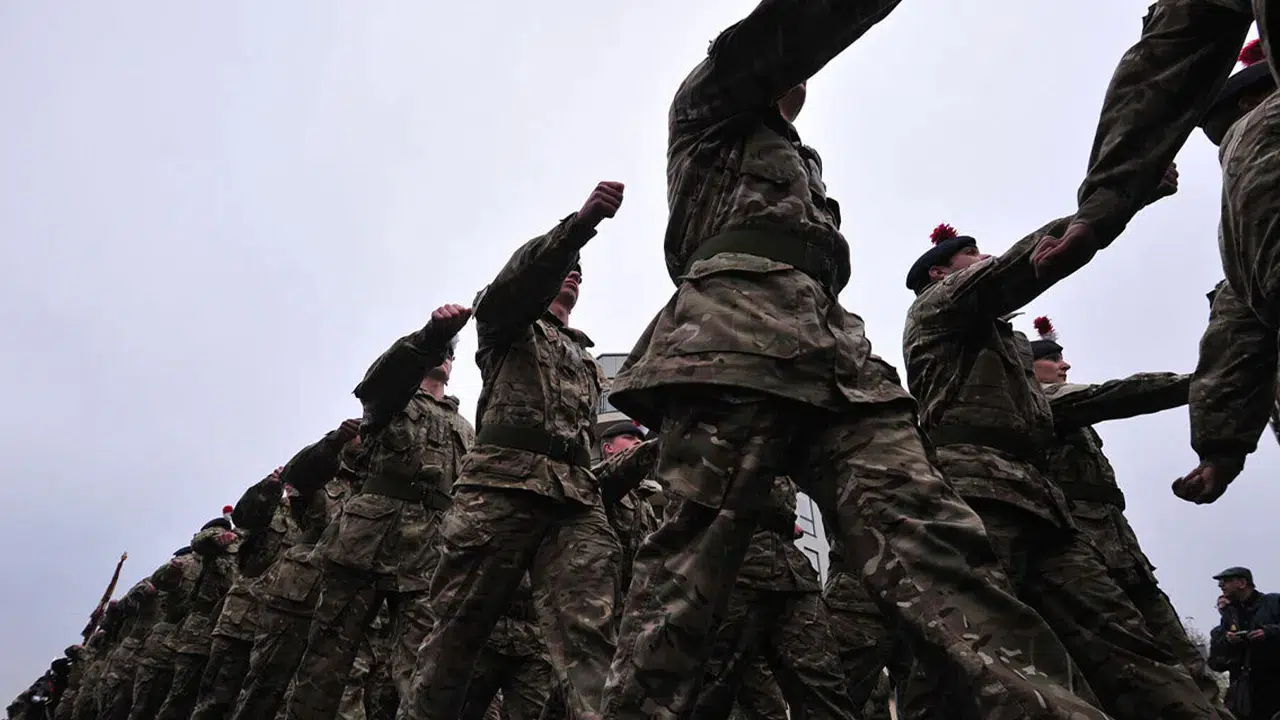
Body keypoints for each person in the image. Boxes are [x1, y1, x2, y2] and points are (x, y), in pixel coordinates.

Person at [601, 3, 1119, 719]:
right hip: (731, 344)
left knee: (942, 548)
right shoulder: (708, 107)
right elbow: (792, 26)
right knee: (684, 591)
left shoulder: (799, 160)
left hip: (838, 358)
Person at [400, 182, 625, 720]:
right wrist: (578, 228)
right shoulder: (506, 323)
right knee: (457, 637)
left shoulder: (588, 362)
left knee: (593, 639)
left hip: (575, 500)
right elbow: (513, 284)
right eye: (566, 267)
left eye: (579, 271)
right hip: (502, 488)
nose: (574, 272)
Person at [282, 304, 476, 719]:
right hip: (365, 544)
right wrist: (429, 337)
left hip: (427, 556)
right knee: (327, 664)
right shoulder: (393, 399)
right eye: (440, 351)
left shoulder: (466, 429)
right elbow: (378, 382)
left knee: (424, 670)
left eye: (449, 353)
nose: (444, 358)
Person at [1030, 316, 1227, 712]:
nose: (1064, 366)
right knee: (1140, 668)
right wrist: (1207, 380)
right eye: (1053, 359)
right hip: (1080, 555)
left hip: (1122, 551)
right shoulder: (1038, 402)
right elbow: (1118, 395)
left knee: (1184, 659)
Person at [1209, 567, 1280, 718]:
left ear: (1242, 583)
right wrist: (1228, 641)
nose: (1221, 586)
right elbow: (1215, 661)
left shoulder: (1274, 602)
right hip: (1244, 692)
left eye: (1226, 581)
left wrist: (1268, 633)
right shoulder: (1229, 615)